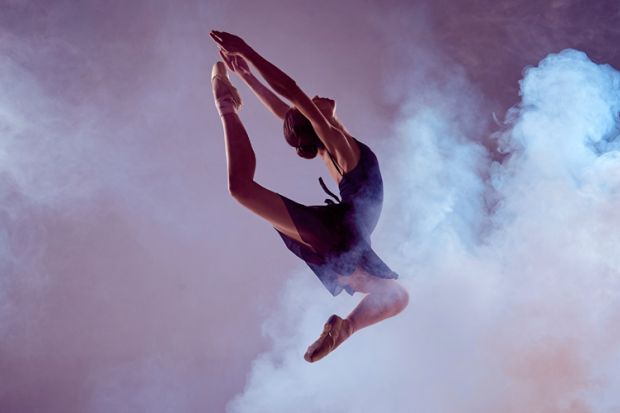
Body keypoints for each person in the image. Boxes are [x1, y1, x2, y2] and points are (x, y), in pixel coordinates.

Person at [209, 30, 409, 363]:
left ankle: (342, 329)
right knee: (396, 296)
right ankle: (225, 104)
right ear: (315, 121)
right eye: (311, 105)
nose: (314, 97)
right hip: (343, 231)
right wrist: (248, 51)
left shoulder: (326, 149)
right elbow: (292, 93)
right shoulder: (337, 146)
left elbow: (282, 111)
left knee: (241, 189)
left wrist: (246, 77)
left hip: (338, 237)